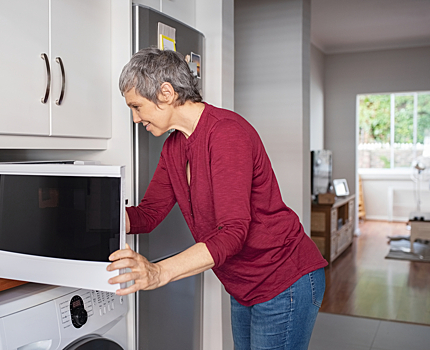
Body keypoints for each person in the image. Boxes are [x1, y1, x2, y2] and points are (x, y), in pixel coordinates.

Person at [107, 47, 328, 350]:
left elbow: (233, 233)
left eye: (137, 106)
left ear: (167, 92)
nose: (134, 118)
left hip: (284, 278)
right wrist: (95, 217)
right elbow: (148, 214)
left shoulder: (226, 134)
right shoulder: (174, 146)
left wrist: (159, 272)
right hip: (243, 284)